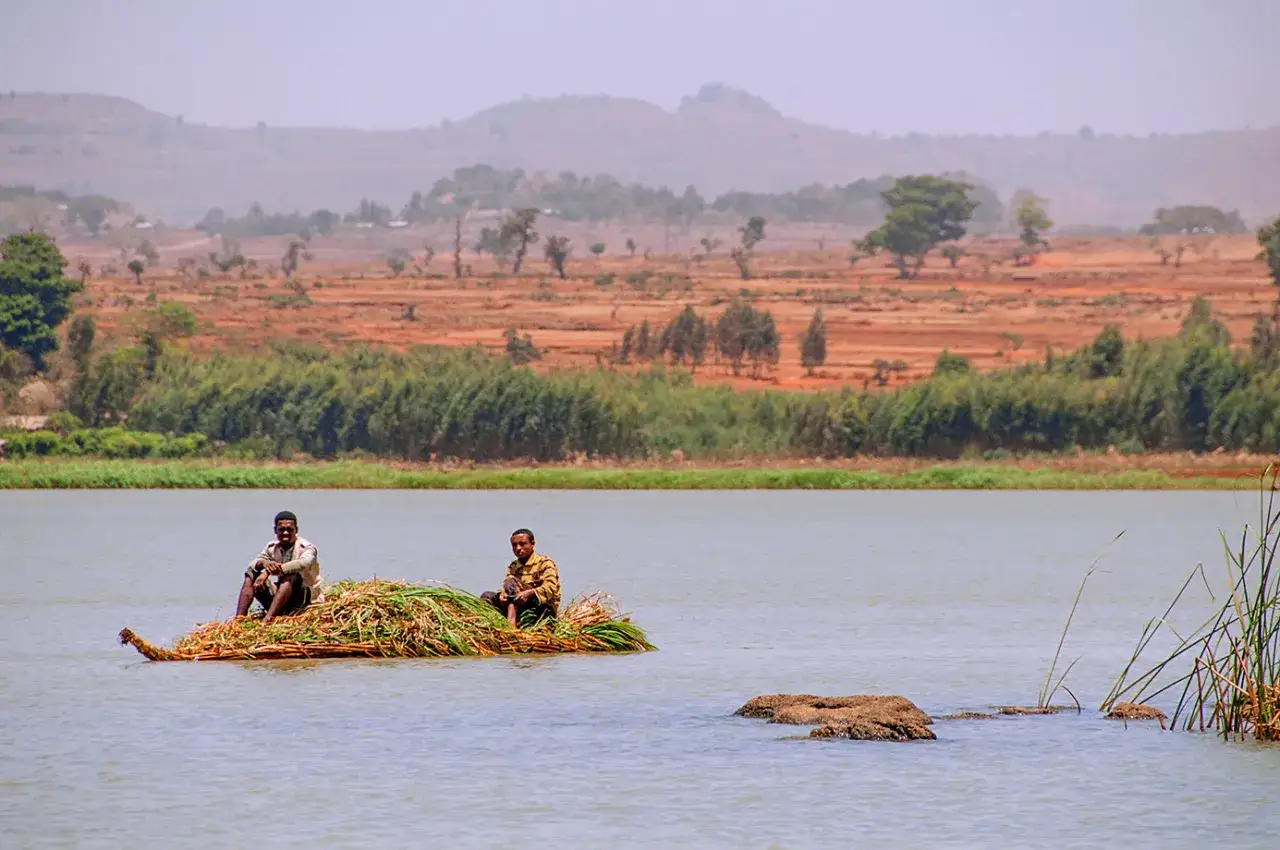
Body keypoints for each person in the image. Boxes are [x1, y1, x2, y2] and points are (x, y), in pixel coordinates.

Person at [234, 510, 322, 625]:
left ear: (296, 530)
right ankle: (238, 620)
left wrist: (267, 573)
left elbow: (303, 563)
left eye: (289, 529)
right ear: (275, 530)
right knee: (251, 574)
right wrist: (264, 564)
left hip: (304, 599)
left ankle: (267, 620)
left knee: (292, 575)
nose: (285, 533)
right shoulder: (272, 548)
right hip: (281, 596)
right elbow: (253, 563)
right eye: (282, 530)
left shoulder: (306, 547)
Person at [481, 528, 561, 627]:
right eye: (514, 545)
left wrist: (529, 593)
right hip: (518, 603)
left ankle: (511, 627)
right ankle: (488, 626)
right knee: (487, 596)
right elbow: (507, 587)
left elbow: (551, 588)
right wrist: (503, 595)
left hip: (542, 607)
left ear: (532, 544)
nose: (518, 548)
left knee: (512, 583)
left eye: (522, 544)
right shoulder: (514, 566)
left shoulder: (545, 563)